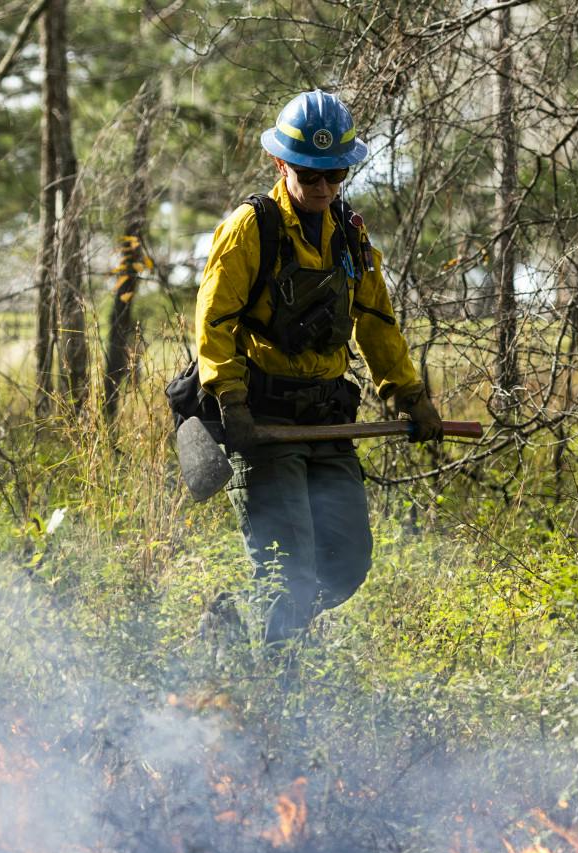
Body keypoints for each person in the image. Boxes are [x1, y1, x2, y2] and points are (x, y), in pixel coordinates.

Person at [194, 89, 446, 643]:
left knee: (346, 563)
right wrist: (230, 400)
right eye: (311, 176)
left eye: (335, 176)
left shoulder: (351, 236)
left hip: (329, 417)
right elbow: (214, 323)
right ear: (282, 164)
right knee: (289, 574)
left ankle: (232, 615)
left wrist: (409, 396)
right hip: (265, 421)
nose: (323, 189)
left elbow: (376, 321)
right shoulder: (249, 229)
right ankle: (276, 700)